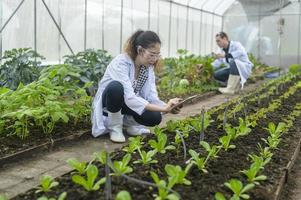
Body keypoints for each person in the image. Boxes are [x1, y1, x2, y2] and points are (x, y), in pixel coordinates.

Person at [91, 30, 182, 142]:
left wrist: (168, 108)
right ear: (140, 50)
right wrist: (164, 108)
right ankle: (115, 127)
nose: (154, 59)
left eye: (157, 55)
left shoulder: (147, 68)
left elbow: (151, 97)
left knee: (155, 117)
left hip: (128, 103)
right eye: (152, 55)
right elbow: (129, 97)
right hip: (110, 104)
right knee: (116, 88)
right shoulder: (121, 63)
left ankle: (130, 125)